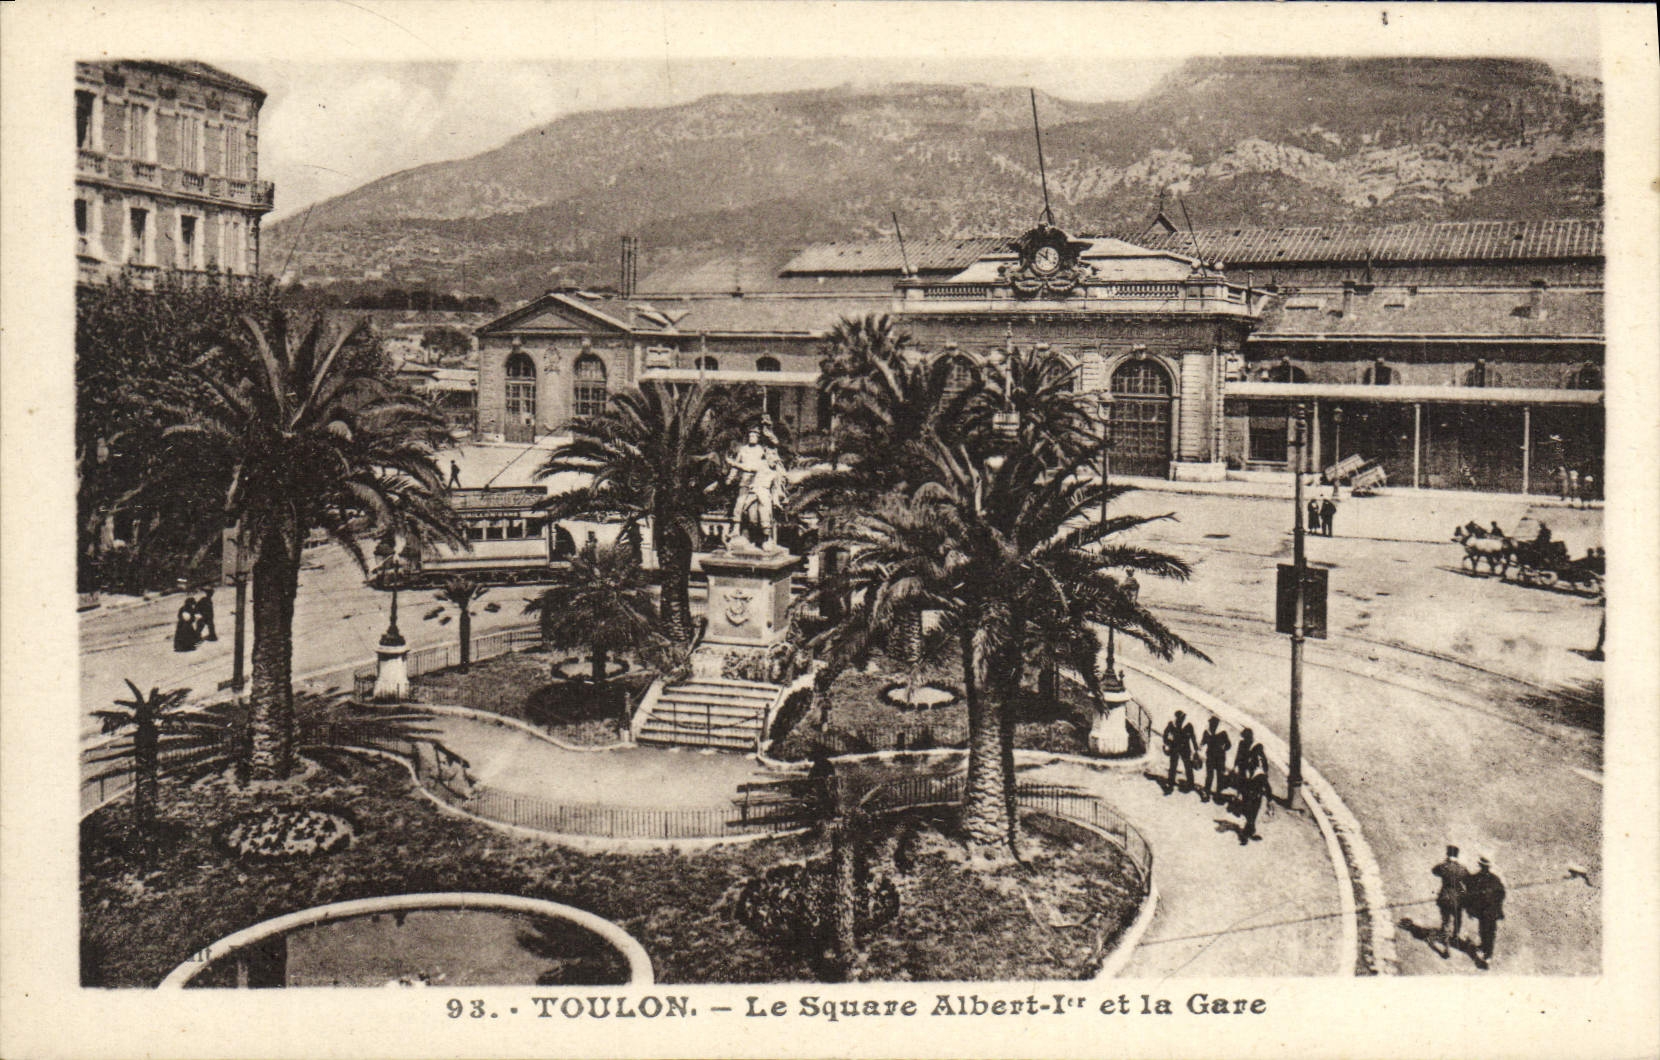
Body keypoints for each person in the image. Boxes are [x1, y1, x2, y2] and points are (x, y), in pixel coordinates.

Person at [1463, 856, 1507, 966]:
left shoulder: (1476, 878)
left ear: (1480, 865)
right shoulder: (1495, 879)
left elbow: (1469, 890)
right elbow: (1502, 893)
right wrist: (1497, 904)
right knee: (1490, 932)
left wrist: (1470, 908)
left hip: (1483, 911)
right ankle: (1486, 952)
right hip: (1492, 911)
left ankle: (1487, 954)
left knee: (1484, 930)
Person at [1430, 845, 1470, 958]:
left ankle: (1446, 947)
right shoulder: (1462, 868)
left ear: (1448, 855)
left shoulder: (1444, 866)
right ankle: (1456, 937)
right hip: (1458, 899)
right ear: (1457, 856)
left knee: (1446, 922)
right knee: (1458, 919)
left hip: (1445, 898)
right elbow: (1468, 880)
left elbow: (1434, 871)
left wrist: (1445, 862)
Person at [1161, 710, 1198, 795]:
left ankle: (1191, 784)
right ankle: (1170, 784)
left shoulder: (1188, 726)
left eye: (1182, 718)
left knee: (1188, 766)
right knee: (1173, 766)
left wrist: (1196, 750)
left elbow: (1193, 737)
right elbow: (1165, 734)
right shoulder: (1172, 724)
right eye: (1179, 718)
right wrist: (1167, 743)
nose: (1180, 719)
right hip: (1175, 748)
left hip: (1185, 749)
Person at [1198, 716, 1232, 803]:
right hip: (1211, 758)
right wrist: (1200, 745)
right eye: (1211, 723)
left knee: (1219, 777)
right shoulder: (1207, 732)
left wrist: (1223, 747)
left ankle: (1217, 794)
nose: (1211, 725)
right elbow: (1203, 741)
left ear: (1216, 724)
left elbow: (1228, 745)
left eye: (1213, 723)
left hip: (1220, 758)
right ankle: (1207, 792)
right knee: (1210, 776)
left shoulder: (1222, 733)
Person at [1236, 762, 1269, 844]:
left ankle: (1247, 833)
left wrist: (1268, 799)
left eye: (1251, 770)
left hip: (1255, 799)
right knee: (1250, 816)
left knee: (1252, 816)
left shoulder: (1261, 776)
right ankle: (1248, 832)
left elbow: (1267, 788)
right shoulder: (1253, 775)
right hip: (1250, 797)